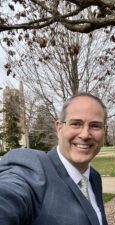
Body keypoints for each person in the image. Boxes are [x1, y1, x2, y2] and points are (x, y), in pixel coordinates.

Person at [0, 93, 108, 225]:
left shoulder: (94, 178)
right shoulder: (32, 168)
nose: (85, 134)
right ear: (59, 128)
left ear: (104, 131)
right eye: (76, 124)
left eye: (95, 126)